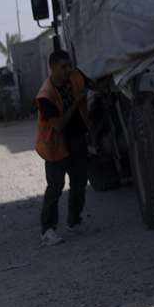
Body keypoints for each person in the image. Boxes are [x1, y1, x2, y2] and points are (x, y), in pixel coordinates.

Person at [36, 51, 91, 246]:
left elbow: (94, 83)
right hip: (55, 144)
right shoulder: (45, 95)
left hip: (76, 139)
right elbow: (58, 125)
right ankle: (47, 230)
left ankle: (74, 221)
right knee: (55, 187)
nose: (68, 70)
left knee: (79, 182)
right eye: (63, 67)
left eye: (69, 65)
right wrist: (76, 102)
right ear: (52, 68)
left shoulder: (76, 77)